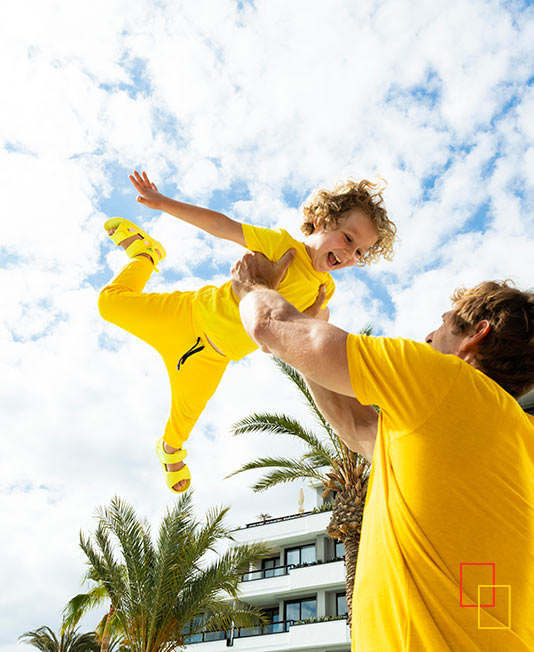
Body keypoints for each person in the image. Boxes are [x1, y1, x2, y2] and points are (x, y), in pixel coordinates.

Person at [229, 249, 534, 651]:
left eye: (441, 326)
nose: (426, 338)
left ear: (476, 335)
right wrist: (314, 328)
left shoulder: (448, 380)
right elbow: (359, 427)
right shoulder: (511, 434)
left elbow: (270, 325)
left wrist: (250, 287)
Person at [98, 170, 397, 492]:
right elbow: (221, 225)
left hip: (212, 359)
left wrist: (310, 318)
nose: (350, 255)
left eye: (360, 253)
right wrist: (163, 202)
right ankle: (146, 255)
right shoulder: (283, 246)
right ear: (323, 220)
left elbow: (303, 335)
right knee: (108, 304)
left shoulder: (324, 289)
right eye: (349, 239)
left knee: (184, 419)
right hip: (190, 316)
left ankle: (170, 449)